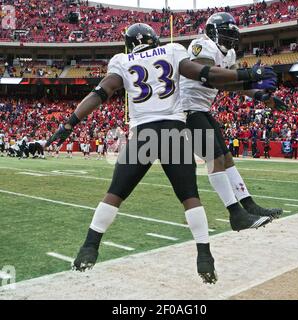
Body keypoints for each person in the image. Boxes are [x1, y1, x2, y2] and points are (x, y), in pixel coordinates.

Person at [46, 23, 276, 284]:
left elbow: (101, 92)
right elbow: (204, 74)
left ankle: (90, 246)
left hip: (143, 135)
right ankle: (204, 256)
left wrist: (69, 124)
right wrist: (249, 74)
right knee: (190, 199)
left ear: (129, 44)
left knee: (113, 195)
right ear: (155, 39)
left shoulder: (122, 60)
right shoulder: (173, 51)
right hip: (173, 132)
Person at [180, 12, 282, 231]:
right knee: (215, 160)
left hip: (202, 109)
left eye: (231, 36)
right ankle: (235, 214)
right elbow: (211, 77)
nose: (230, 40)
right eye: (226, 35)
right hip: (187, 109)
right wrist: (251, 74)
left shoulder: (229, 53)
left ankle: (248, 204)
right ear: (212, 32)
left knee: (226, 158)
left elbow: (233, 84)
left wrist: (260, 96)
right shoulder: (201, 46)